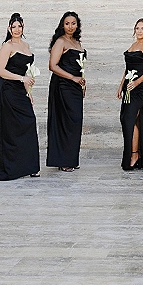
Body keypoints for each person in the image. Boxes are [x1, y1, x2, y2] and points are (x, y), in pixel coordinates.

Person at [0, 13, 40, 180]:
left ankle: (30, 166)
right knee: (10, 128)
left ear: (23, 27)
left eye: (19, 26)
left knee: (29, 121)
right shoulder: (7, 46)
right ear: (9, 28)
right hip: (6, 89)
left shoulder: (26, 46)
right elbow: (0, 71)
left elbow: (26, 71)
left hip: (20, 90)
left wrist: (28, 92)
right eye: (14, 27)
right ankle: (11, 168)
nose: (17, 29)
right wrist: (22, 79)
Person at [46, 11, 86, 172]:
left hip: (76, 87)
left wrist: (82, 82)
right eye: (67, 23)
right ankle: (63, 160)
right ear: (63, 25)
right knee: (64, 122)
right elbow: (52, 66)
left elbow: (80, 66)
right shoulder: (60, 42)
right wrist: (72, 78)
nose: (70, 26)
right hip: (63, 85)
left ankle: (71, 159)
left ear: (77, 25)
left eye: (73, 23)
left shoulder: (77, 42)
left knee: (75, 122)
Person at [117, 18, 143, 171]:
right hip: (129, 86)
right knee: (128, 119)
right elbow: (128, 69)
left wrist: (137, 83)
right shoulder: (133, 45)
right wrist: (122, 86)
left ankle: (134, 155)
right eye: (137, 28)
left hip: (141, 87)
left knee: (130, 119)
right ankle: (135, 154)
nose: (140, 31)